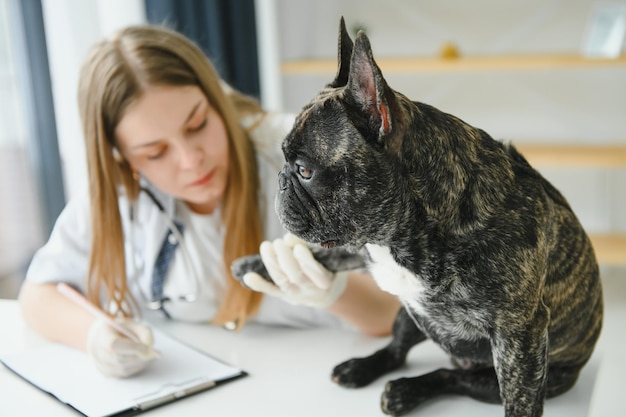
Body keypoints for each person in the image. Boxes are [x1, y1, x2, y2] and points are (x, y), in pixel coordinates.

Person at [18, 24, 399, 378]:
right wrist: (95, 335)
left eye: (197, 124)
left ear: (216, 100)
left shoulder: (309, 155)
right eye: (154, 152)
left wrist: (335, 291)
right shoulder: (122, 193)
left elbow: (397, 314)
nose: (191, 160)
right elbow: (37, 295)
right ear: (123, 159)